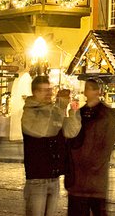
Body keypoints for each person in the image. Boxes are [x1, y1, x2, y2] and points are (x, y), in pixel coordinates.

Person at [22, 77, 81, 216]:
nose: (48, 93)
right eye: (43, 91)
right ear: (34, 93)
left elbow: (71, 132)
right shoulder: (29, 112)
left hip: (54, 179)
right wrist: (60, 108)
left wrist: (72, 111)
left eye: (49, 90)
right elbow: (44, 131)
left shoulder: (54, 110)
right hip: (37, 179)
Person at [66, 79, 115, 215]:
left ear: (97, 91)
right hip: (78, 177)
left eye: (90, 88)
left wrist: (96, 163)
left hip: (96, 177)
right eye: (86, 89)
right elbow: (72, 139)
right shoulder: (80, 113)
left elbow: (107, 144)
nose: (87, 92)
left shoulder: (107, 114)